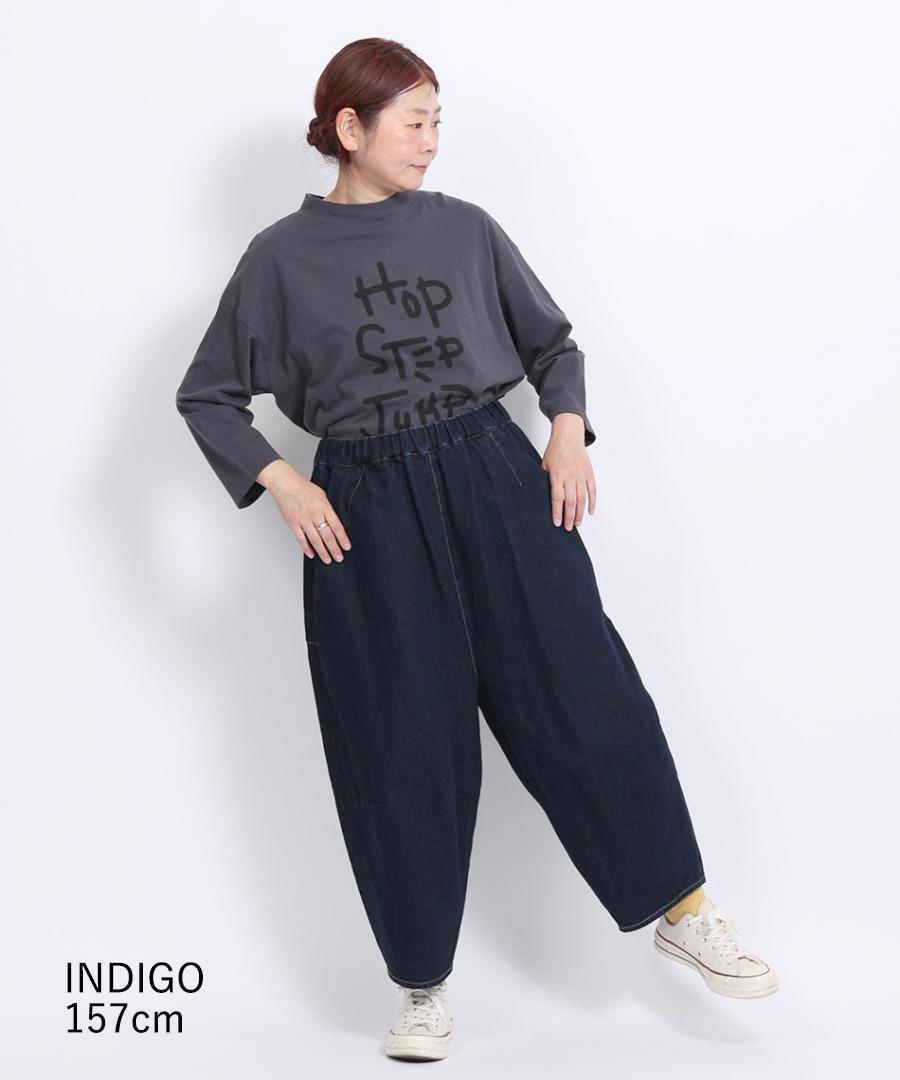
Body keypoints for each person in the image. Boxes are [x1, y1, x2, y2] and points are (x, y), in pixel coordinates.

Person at [175, 36, 778, 1063]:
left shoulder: (465, 229)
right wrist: (284, 480)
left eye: (437, 121)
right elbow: (209, 395)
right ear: (350, 128)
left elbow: (553, 344)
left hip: (492, 472)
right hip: (364, 504)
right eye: (412, 122)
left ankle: (684, 911)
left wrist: (565, 430)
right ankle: (421, 987)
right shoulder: (279, 258)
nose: (430, 141)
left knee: (582, 690)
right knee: (399, 738)